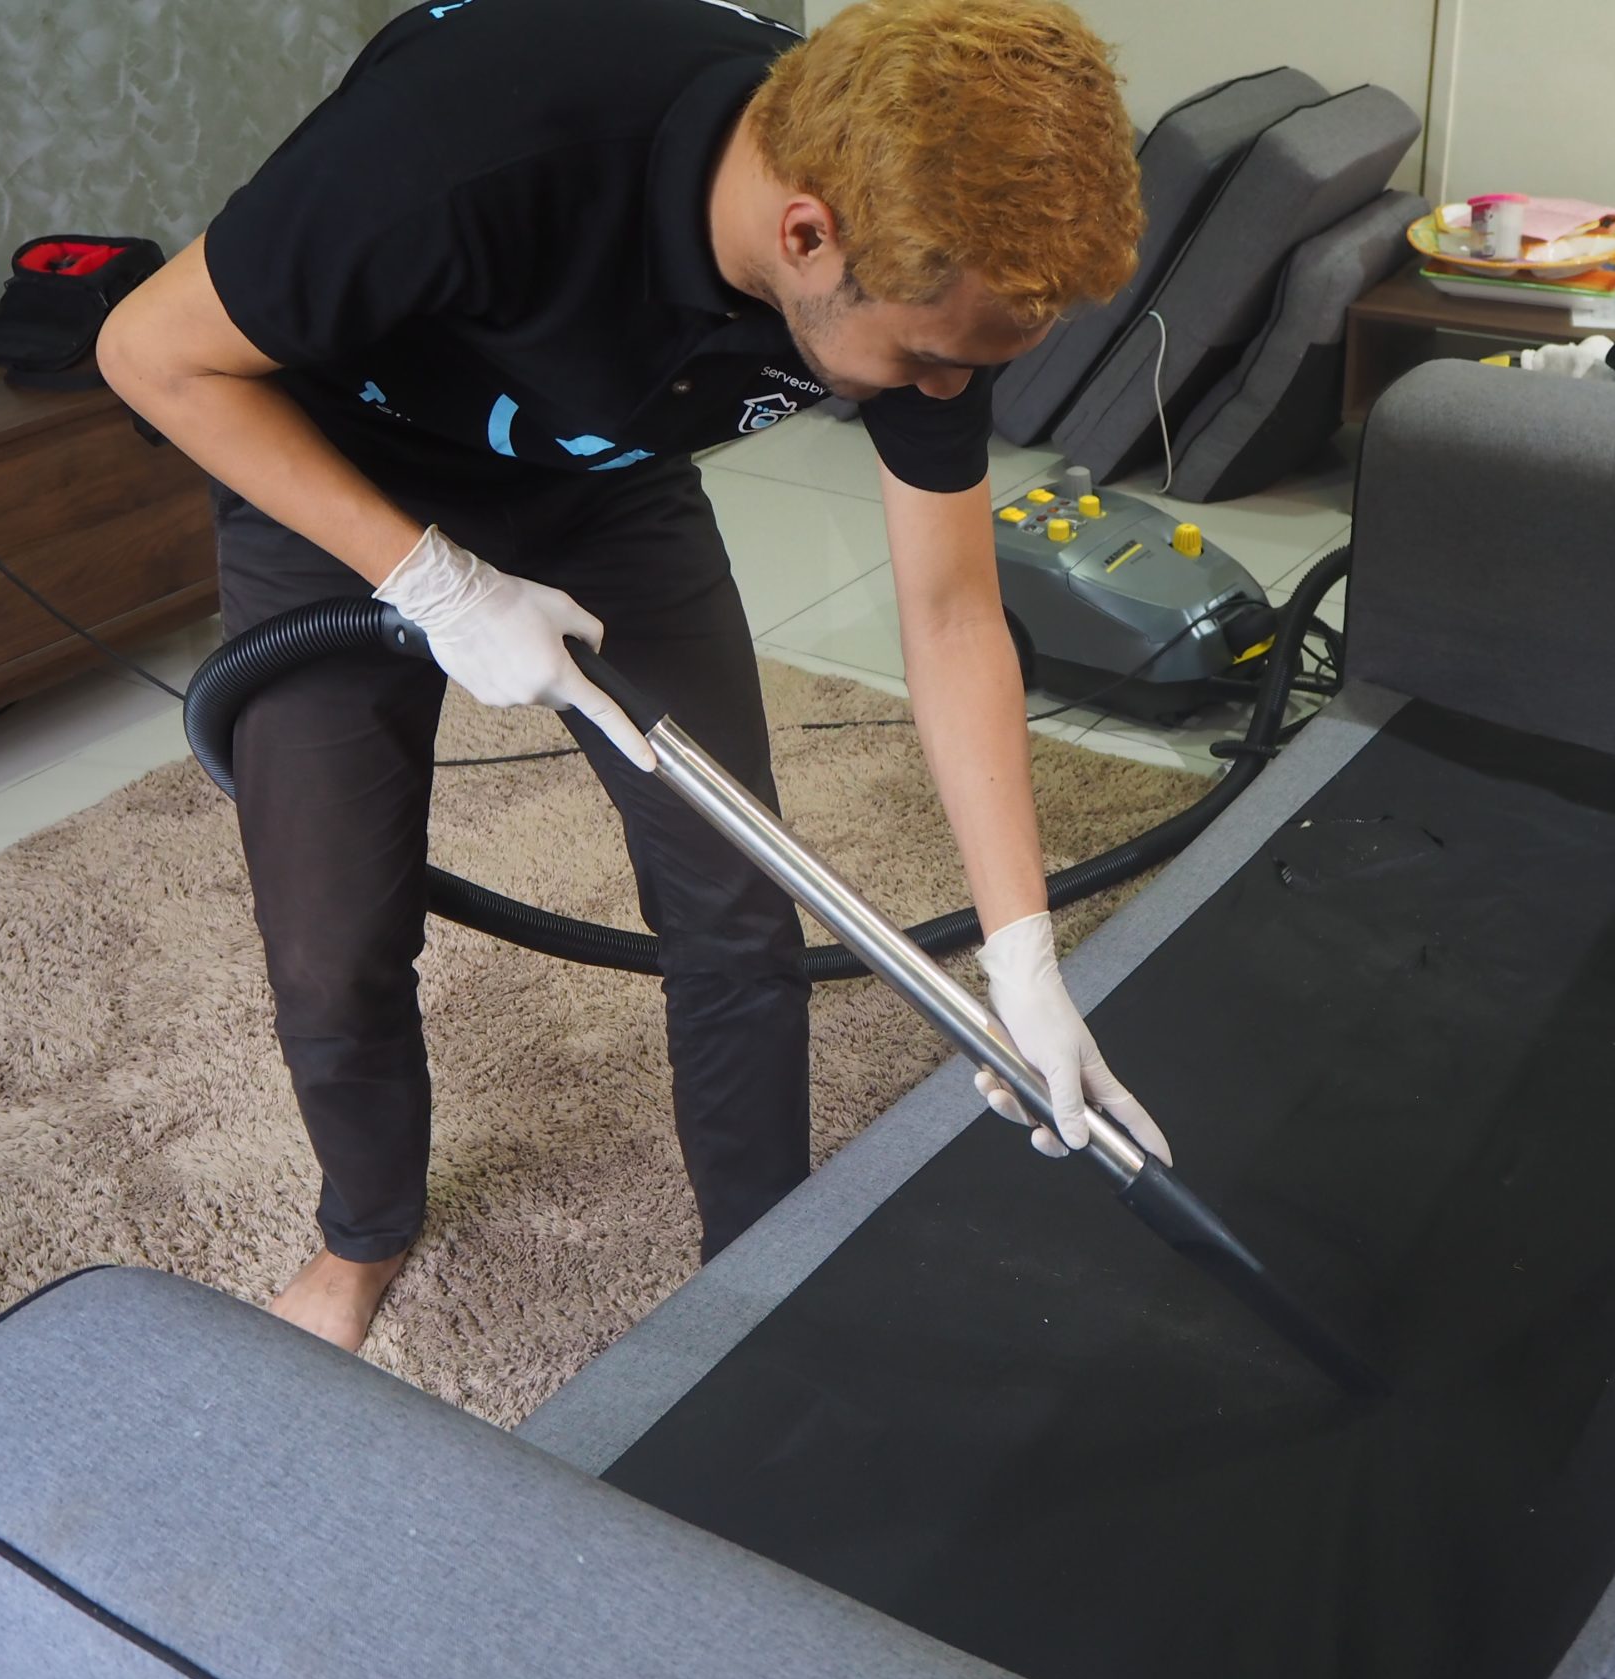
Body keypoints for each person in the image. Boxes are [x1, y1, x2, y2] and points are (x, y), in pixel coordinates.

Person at [99, 0, 1170, 1353]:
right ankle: (362, 1234)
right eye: (928, 358)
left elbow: (954, 610)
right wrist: (436, 581)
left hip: (603, 481)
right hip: (332, 463)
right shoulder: (468, 142)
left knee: (738, 899)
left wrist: (1023, 953)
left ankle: (755, 1274)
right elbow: (145, 350)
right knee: (329, 934)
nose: (944, 391)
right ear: (805, 235)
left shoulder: (915, 236)